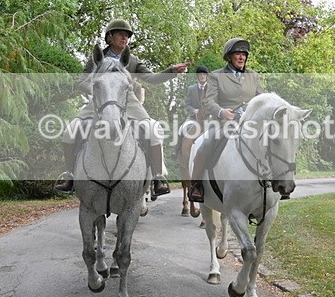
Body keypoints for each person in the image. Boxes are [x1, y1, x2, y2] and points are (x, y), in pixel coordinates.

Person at [54, 19, 189, 197]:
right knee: (70, 130)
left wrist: (171, 71)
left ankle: (157, 178)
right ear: (109, 37)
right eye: (120, 34)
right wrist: (97, 90)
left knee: (152, 130)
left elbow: (152, 78)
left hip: (128, 102)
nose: (125, 38)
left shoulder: (132, 60)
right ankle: (69, 175)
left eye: (127, 35)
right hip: (99, 101)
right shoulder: (96, 59)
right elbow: (82, 82)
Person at [188, 38, 264, 203]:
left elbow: (262, 99)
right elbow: (208, 101)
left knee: (274, 141)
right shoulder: (216, 76)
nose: (242, 57)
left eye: (244, 54)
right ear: (229, 56)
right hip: (225, 123)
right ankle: (196, 186)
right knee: (206, 143)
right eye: (238, 54)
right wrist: (222, 112)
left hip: (250, 124)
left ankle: (279, 183)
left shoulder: (254, 76)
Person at [171, 66, 209, 159]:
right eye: (200, 74)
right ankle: (176, 150)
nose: (202, 76)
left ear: (207, 76)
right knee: (181, 128)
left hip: (208, 117)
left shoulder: (212, 89)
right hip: (193, 117)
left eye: (204, 74)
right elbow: (187, 105)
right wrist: (193, 110)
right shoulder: (191, 88)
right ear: (197, 76)